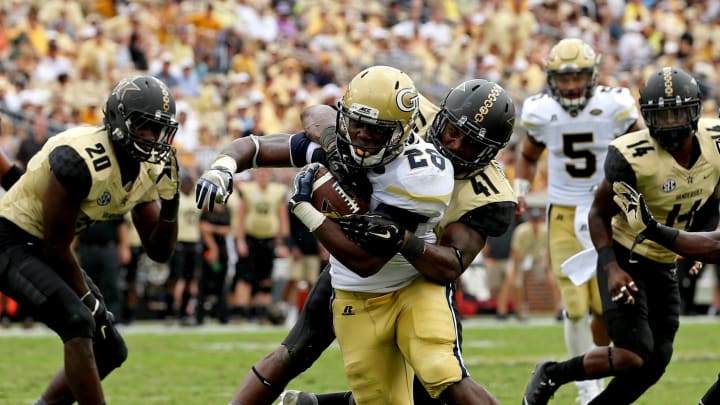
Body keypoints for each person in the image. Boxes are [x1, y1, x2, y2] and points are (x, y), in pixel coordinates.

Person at [196, 71, 516, 404]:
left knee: (439, 377)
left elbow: (447, 266)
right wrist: (333, 148)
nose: (455, 146)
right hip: (353, 275)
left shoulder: (480, 191)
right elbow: (316, 115)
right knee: (304, 356)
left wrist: (400, 239)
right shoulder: (401, 110)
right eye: (453, 131)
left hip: (418, 278)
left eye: (473, 145)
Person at [522, 67, 720, 405]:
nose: (671, 123)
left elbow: (711, 196)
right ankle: (553, 373)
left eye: (678, 113)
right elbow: (599, 213)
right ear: (646, 116)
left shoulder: (715, 142)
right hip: (627, 253)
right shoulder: (631, 156)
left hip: (662, 259)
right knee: (633, 352)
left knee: (656, 361)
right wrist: (611, 267)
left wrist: (694, 239)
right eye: (662, 115)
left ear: (695, 111)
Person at [0, 74, 180, 405]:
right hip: (10, 240)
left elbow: (158, 250)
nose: (153, 138)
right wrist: (87, 299)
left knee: (110, 349)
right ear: (119, 120)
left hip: (44, 248)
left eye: (159, 129)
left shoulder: (147, 167)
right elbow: (56, 247)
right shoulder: (79, 159)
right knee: (78, 320)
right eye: (144, 126)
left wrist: (171, 204)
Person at [514, 38, 639, 403]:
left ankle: (597, 366)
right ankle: (587, 387)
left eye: (578, 76)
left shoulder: (614, 104)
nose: (570, 85)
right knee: (574, 305)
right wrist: (521, 188)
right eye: (563, 78)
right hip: (565, 211)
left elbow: (641, 149)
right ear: (552, 78)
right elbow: (527, 153)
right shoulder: (540, 109)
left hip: (607, 210)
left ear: (593, 73)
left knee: (603, 307)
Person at [232, 167, 290, 323]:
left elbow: (282, 218)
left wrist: (282, 243)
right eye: (259, 173)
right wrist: (240, 240)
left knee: (265, 278)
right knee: (245, 278)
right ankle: (241, 313)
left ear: (270, 175)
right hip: (250, 238)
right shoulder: (247, 190)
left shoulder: (277, 191)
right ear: (255, 175)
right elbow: (240, 216)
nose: (262, 175)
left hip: (269, 239)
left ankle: (262, 314)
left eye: (265, 172)